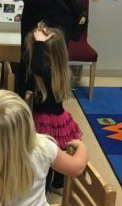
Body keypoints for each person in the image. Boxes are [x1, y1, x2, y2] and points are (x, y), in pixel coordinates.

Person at [25, 21, 82, 192]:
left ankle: (46, 188)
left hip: (45, 122)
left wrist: (39, 42)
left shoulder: (46, 72)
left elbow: (35, 66)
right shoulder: (59, 70)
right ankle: (58, 183)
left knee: (47, 156)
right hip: (59, 118)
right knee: (60, 150)